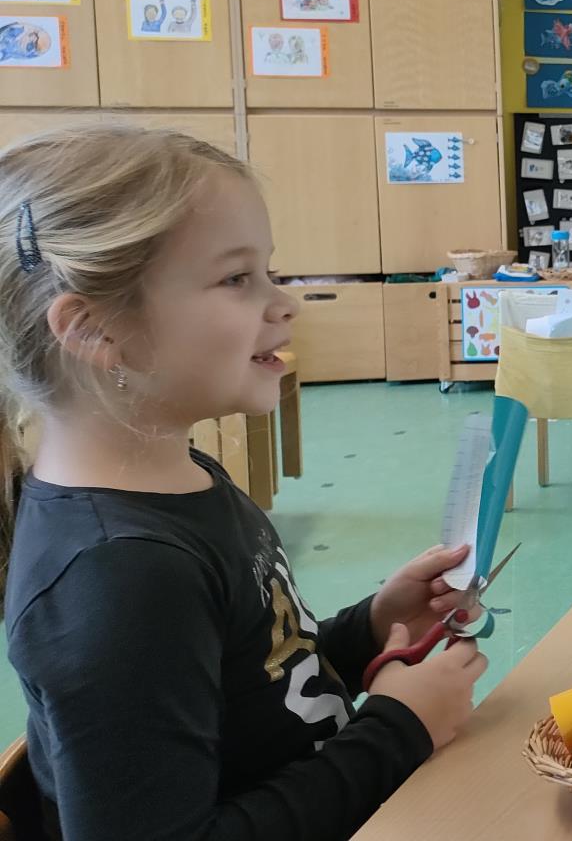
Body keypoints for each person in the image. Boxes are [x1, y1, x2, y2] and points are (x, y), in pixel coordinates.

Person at [0, 124, 488, 839]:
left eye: (269, 270)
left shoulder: (183, 478)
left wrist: (372, 624)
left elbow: (263, 685)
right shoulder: (117, 578)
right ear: (95, 330)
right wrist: (399, 729)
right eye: (237, 278)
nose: (285, 302)